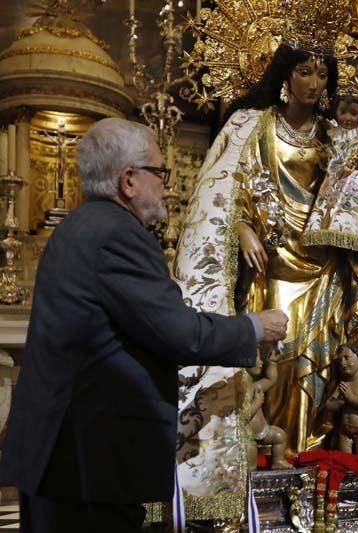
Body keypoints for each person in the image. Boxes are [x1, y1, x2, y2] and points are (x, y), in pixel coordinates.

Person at [173, 39, 358, 498]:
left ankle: (316, 463)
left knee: (323, 371)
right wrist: (241, 228)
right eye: (304, 72)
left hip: (328, 272)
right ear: (285, 75)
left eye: (322, 74)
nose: (314, 83)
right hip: (271, 268)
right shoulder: (250, 127)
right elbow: (222, 194)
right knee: (275, 365)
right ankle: (268, 465)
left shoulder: (337, 136)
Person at [0, 118, 289, 532]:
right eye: (160, 172)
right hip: (88, 462)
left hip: (63, 457)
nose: (168, 185)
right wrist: (255, 327)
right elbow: (183, 335)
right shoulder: (119, 234)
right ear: (129, 180)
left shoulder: (79, 227)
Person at [303, 67, 358, 247]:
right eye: (343, 112)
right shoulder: (333, 134)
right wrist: (326, 157)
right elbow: (330, 158)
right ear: (335, 111)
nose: (347, 118)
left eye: (353, 113)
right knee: (334, 216)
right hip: (336, 181)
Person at [325, 343, 358, 457]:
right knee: (345, 462)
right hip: (344, 430)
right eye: (340, 361)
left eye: (347, 358)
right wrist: (341, 402)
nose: (343, 363)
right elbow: (329, 404)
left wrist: (351, 397)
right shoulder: (343, 385)